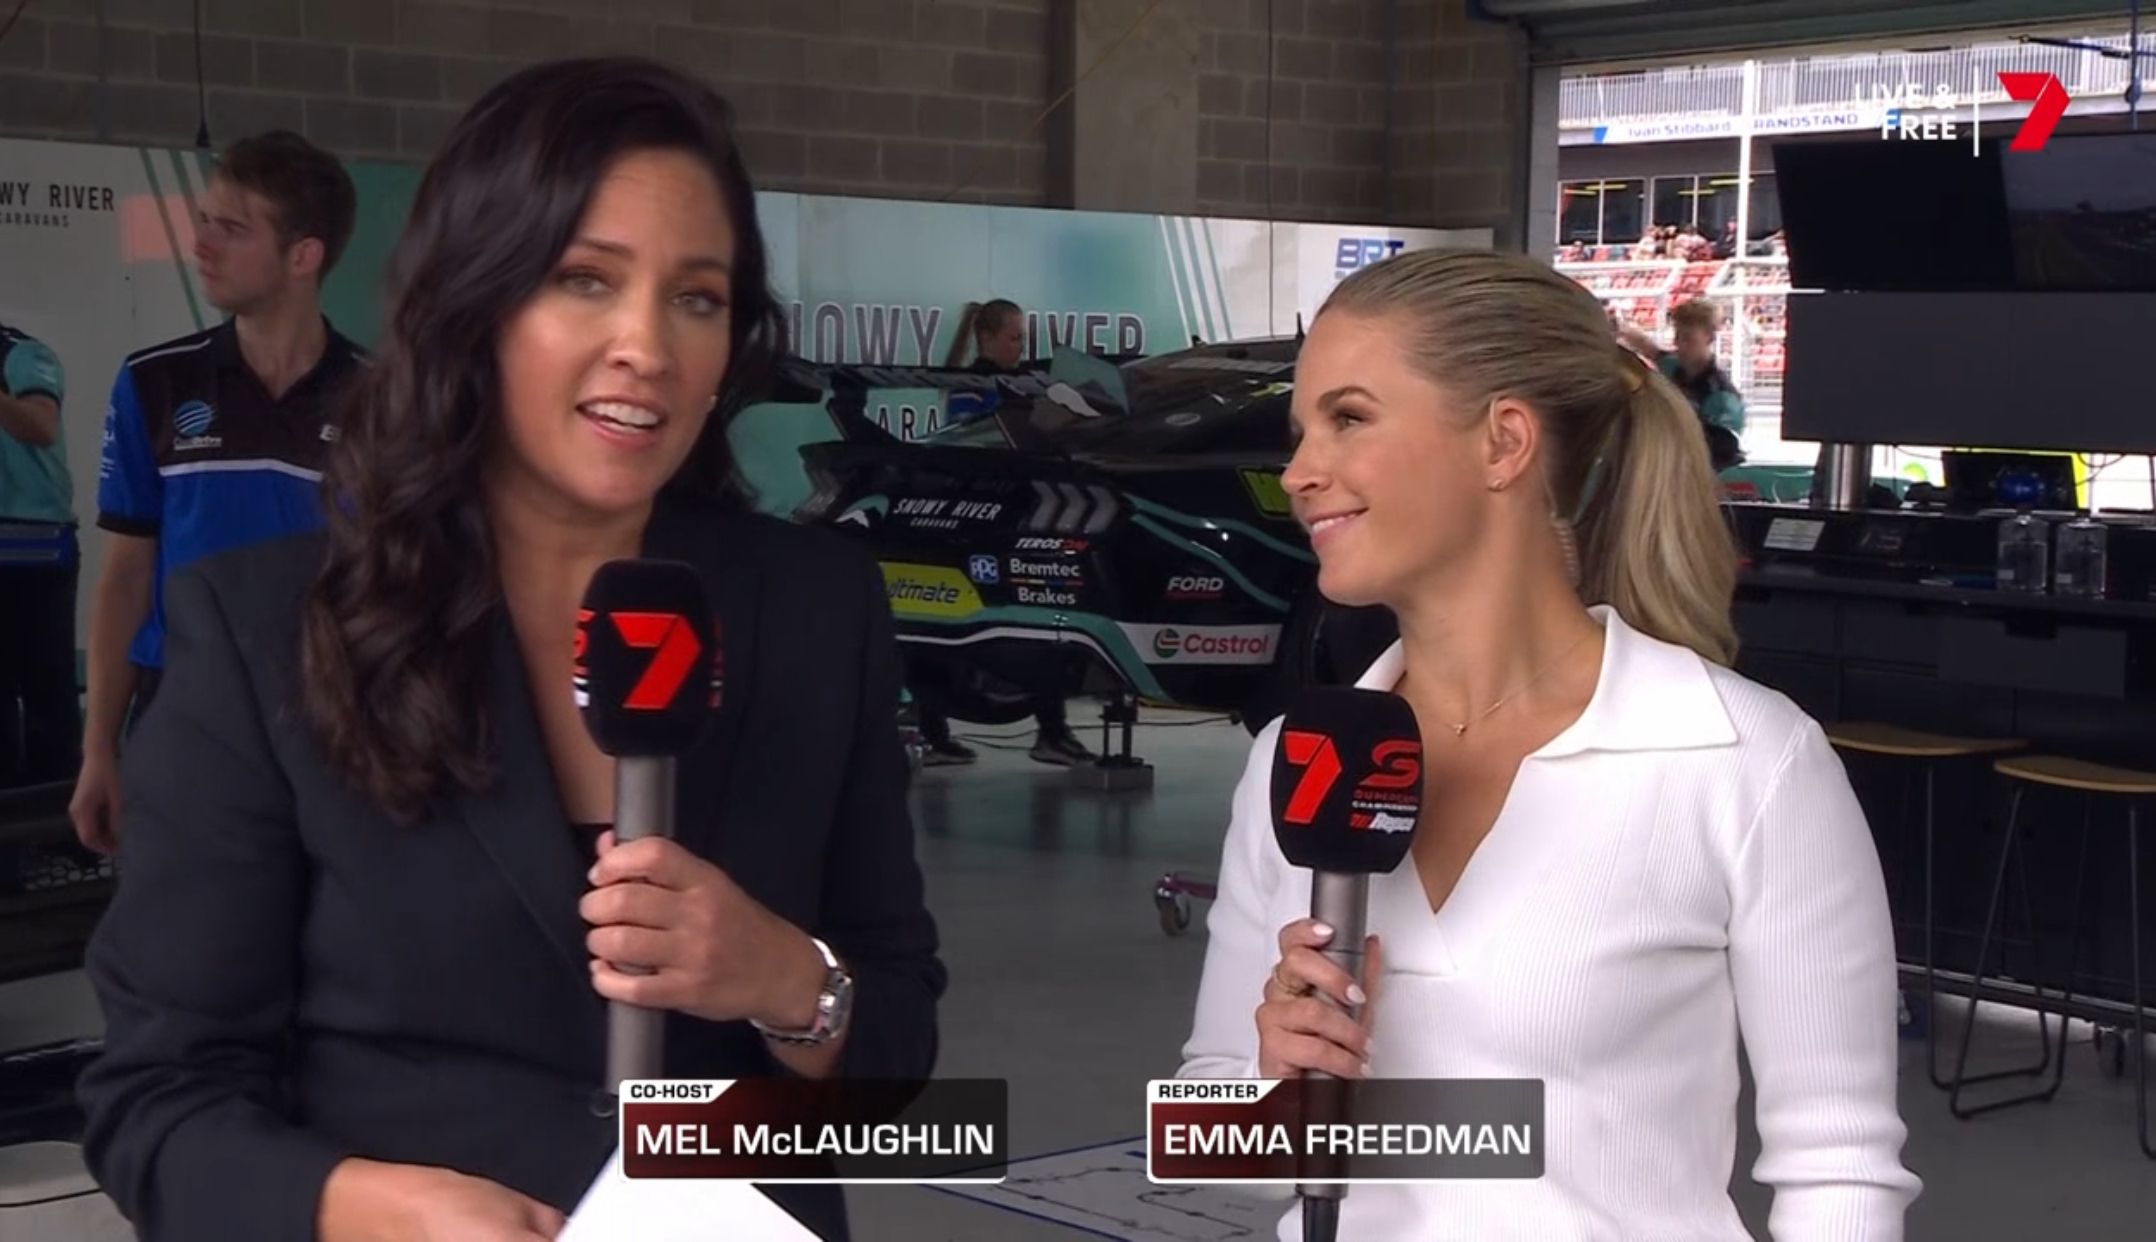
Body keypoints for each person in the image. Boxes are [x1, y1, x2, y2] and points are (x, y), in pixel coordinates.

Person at [76, 58, 945, 1242]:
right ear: (474, 304)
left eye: (697, 298)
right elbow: (156, 1106)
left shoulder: (814, 608)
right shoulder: (268, 632)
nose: (646, 344)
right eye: (584, 280)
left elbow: (897, 1065)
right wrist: (374, 1209)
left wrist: (789, 980)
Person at [1178, 249, 1918, 1239]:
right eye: (1299, 433)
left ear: (1503, 442)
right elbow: (1203, 1143)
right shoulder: (1299, 755)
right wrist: (1274, 1086)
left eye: (1348, 419)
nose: (1300, 472)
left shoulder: (1742, 760)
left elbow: (1840, 1172)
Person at [69, 129, 362, 854]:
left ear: (303, 255)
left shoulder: (386, 400)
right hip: (184, 715)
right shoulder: (155, 383)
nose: (201, 245)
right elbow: (126, 578)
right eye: (204, 221)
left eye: (230, 228)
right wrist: (98, 748)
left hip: (330, 722)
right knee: (184, 921)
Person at [918, 298, 1096, 767]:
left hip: (1009, 515)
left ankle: (1048, 731)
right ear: (987, 338)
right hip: (980, 520)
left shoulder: (1019, 383)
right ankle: (938, 733)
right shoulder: (971, 388)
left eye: (1023, 338)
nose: (1020, 346)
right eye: (1014, 338)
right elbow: (978, 441)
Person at [0, 321, 81, 788]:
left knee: (46, 686)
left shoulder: (23, 354)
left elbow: (40, 425)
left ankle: (60, 814)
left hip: (32, 543)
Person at [1618, 297, 1745, 470]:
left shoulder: (1722, 398)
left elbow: (1722, 454)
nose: (1678, 344)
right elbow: (1648, 348)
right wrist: (1621, 329)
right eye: (1677, 336)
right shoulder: (1673, 366)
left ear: (1709, 338)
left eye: (1688, 338)